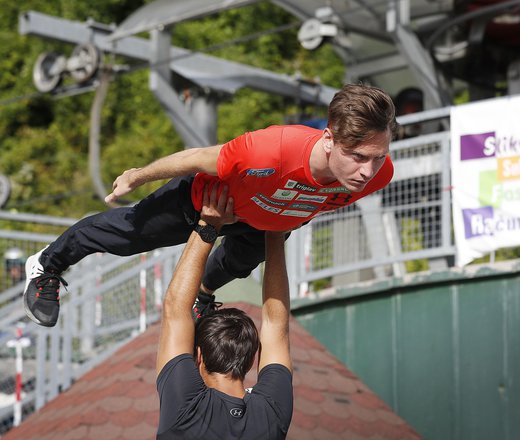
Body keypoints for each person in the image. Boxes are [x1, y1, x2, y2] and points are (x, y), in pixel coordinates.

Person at [23, 83, 398, 327]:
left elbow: (319, 198)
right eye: (358, 156)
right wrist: (138, 175)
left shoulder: (379, 174)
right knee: (128, 235)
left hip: (263, 219)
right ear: (329, 139)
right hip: (208, 200)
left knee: (237, 264)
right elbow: (198, 156)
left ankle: (203, 295)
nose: (367, 171)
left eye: (378, 157)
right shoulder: (267, 150)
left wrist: (285, 219)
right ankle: (47, 265)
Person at [156, 182, 293, 439]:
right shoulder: (270, 414)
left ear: (198, 356)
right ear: (251, 359)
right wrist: (209, 226)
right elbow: (175, 309)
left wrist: (276, 232)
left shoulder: (185, 408)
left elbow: (277, 327)